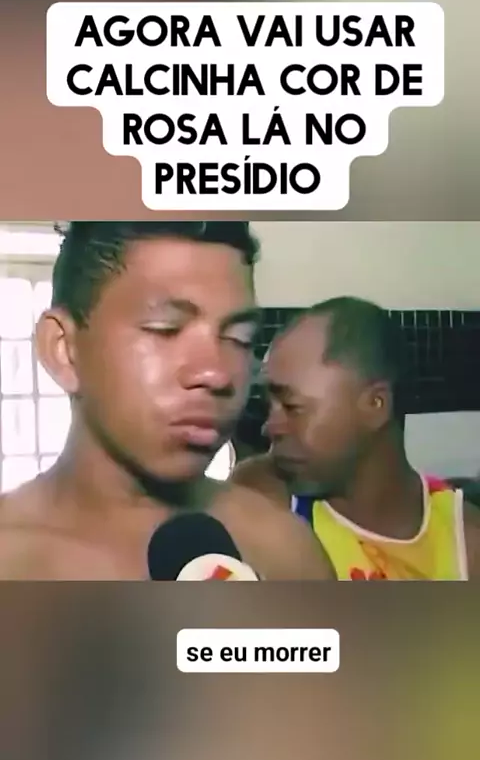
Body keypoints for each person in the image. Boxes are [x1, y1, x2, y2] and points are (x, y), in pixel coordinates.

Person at [0, 222, 334, 580]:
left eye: (239, 338)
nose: (216, 373)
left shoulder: (284, 550)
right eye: (166, 329)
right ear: (64, 350)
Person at [232, 297, 480, 579]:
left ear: (376, 404)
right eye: (269, 407)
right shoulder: (260, 496)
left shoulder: (467, 542)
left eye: (291, 407)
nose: (270, 427)